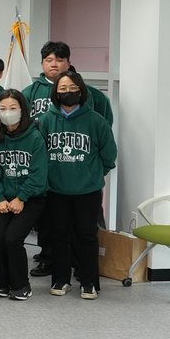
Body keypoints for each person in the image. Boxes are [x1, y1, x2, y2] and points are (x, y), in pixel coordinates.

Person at [39, 70, 117, 299]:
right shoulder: (46, 120)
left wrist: (94, 174)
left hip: (88, 191)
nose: (68, 92)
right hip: (56, 189)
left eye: (73, 88)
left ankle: (88, 281)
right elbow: (39, 154)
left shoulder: (96, 120)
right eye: (63, 88)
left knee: (87, 236)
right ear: (55, 92)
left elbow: (109, 155)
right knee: (59, 235)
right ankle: (61, 279)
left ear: (81, 91)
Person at [0, 90, 47, 301]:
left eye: (13, 108)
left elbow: (38, 174)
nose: (7, 112)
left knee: (12, 239)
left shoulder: (35, 137)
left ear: (22, 110)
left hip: (31, 198)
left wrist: (22, 198)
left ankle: (21, 285)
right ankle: (3, 283)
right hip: (3, 198)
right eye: (2, 109)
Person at [23, 41, 114, 123]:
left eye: (59, 60)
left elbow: (103, 126)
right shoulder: (28, 93)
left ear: (69, 64)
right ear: (42, 63)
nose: (54, 65)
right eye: (49, 60)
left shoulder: (88, 93)